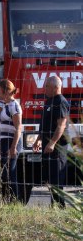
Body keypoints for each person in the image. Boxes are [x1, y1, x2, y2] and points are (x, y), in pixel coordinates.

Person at [33, 75, 70, 208]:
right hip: (47, 145)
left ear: (56, 87)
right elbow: (45, 124)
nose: (44, 88)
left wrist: (53, 142)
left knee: (56, 178)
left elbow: (61, 126)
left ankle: (60, 207)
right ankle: (53, 206)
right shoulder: (49, 101)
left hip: (57, 148)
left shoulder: (60, 102)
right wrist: (38, 139)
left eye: (47, 86)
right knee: (49, 178)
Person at [0, 79, 23, 201]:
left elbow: (18, 128)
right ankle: (8, 199)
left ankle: (15, 200)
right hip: (5, 142)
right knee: (5, 173)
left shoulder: (14, 106)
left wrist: (13, 147)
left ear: (5, 91)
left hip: (12, 142)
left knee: (10, 173)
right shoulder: (6, 105)